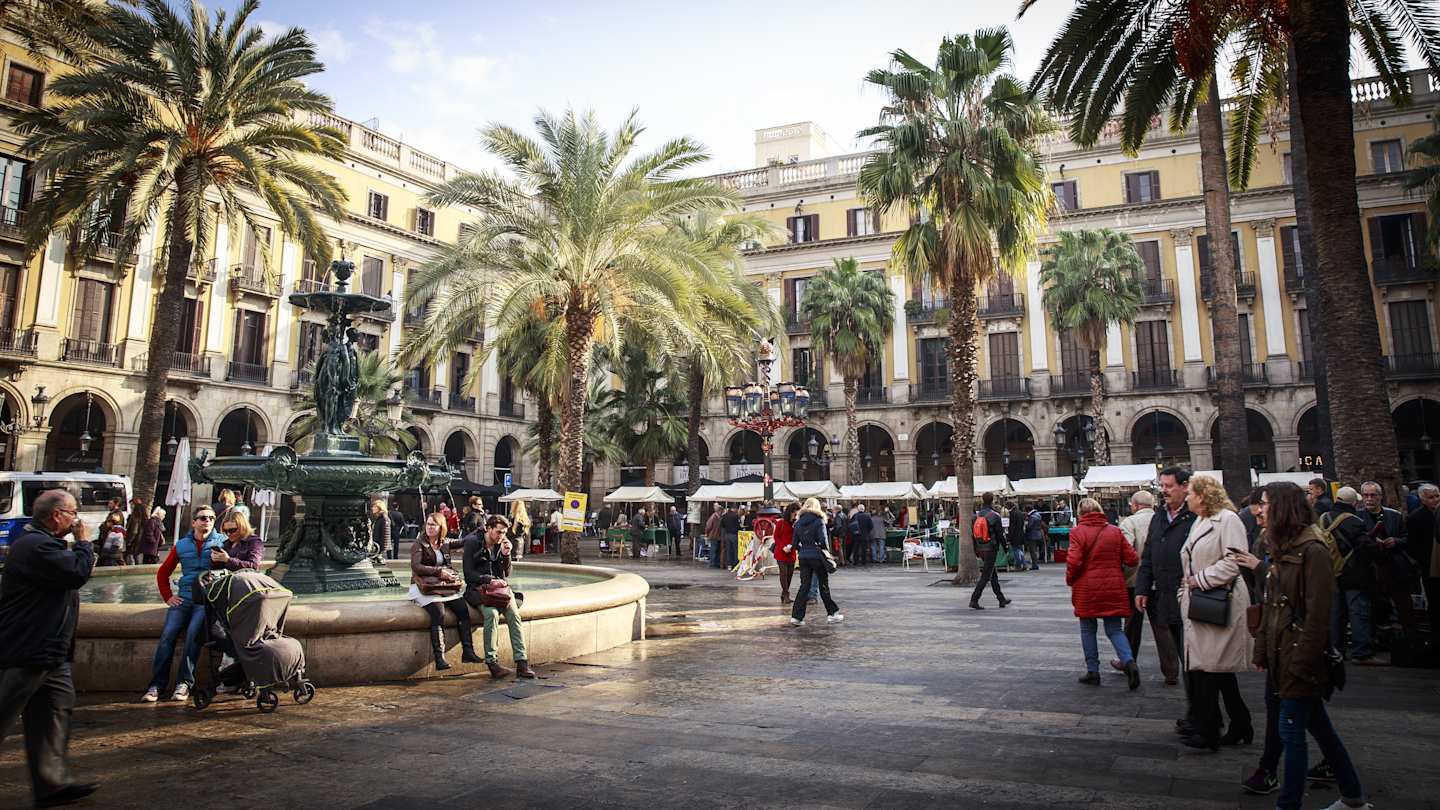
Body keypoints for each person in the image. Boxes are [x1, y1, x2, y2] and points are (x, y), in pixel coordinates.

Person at [1252, 482, 1372, 810]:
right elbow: (1271, 603)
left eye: (1264, 504)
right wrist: (1262, 649)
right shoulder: (1280, 545)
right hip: (1282, 653)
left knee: (1292, 735)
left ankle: (1288, 805)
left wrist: (1300, 662)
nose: (1259, 510)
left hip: (1298, 657)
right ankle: (1353, 798)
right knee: (1320, 728)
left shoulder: (1313, 549)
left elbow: (1320, 616)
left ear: (1282, 508)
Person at [0, 490, 99, 808]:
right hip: (29, 649)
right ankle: (51, 782)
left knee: (54, 713)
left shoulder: (41, 544)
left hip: (49, 652)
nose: (76, 519)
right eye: (72, 513)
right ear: (56, 515)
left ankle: (51, 783)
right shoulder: (37, 546)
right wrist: (84, 542)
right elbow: (77, 572)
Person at [1178, 474, 1253, 751]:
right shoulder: (1201, 521)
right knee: (1216, 669)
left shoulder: (1228, 520)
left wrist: (1201, 579)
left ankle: (1208, 732)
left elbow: (1236, 559)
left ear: (1203, 495)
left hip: (1219, 600)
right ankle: (1240, 723)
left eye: (1191, 493)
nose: (1187, 497)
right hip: (1202, 600)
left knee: (1209, 668)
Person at [143, 505, 225, 702]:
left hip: (206, 600)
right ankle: (156, 685)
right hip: (184, 597)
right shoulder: (181, 545)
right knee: (167, 636)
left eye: (211, 518)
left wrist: (224, 560)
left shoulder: (222, 542)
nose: (207, 521)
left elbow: (230, 569)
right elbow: (163, 572)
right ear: (194, 522)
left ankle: (184, 683)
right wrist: (168, 596)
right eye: (203, 518)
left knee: (192, 636)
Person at [1067, 498, 1141, 688]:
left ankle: (1093, 671)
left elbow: (1074, 561)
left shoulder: (1078, 532)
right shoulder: (1114, 531)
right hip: (1114, 586)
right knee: (1114, 629)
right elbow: (1132, 559)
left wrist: (1070, 579)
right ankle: (1129, 663)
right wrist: (1116, 569)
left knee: (1087, 629)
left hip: (1087, 587)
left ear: (1080, 513)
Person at [1136, 466, 1196, 691]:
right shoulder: (1159, 516)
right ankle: (1197, 712)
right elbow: (1149, 554)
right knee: (1183, 653)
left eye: (1169, 486)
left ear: (1184, 486)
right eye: (1161, 486)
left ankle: (1200, 714)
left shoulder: (1196, 515)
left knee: (1192, 658)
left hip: (1191, 595)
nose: (1164, 490)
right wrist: (1142, 588)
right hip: (1166, 596)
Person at [463, 515, 535, 679]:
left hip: (500, 592)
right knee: (491, 614)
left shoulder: (501, 544)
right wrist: (487, 579)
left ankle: (522, 662)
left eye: (503, 533)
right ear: (488, 529)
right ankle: (492, 663)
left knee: (514, 615)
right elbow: (468, 574)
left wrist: (506, 555)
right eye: (498, 532)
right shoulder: (472, 543)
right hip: (479, 591)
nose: (501, 536)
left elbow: (507, 573)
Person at [409, 513, 479, 670]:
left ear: (441, 527)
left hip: (442, 587)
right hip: (425, 587)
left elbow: (463, 541)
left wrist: (480, 530)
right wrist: (439, 572)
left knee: (463, 609)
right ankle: (439, 658)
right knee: (438, 613)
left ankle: (468, 652)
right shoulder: (419, 544)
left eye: (433, 524)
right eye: (428, 524)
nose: (430, 527)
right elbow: (416, 567)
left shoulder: (444, 543)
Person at [1324, 487, 1378, 663]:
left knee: (1335, 614)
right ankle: (1361, 651)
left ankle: (1335, 649)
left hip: (1331, 572)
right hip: (1353, 574)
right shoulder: (1354, 521)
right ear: (1353, 502)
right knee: (1357, 612)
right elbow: (1365, 547)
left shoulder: (1323, 518)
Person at [1357, 480, 1413, 636]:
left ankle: (1408, 636)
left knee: (1403, 603)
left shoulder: (1394, 516)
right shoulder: (1358, 517)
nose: (1369, 499)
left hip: (1395, 566)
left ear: (1380, 496)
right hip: (1371, 568)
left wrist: (1395, 541)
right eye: (1365, 495)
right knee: (1376, 606)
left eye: (1372, 495)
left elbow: (1407, 538)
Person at [1113, 490, 1155, 673]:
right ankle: (1171, 669)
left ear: (1135, 505)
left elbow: (1125, 550)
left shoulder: (1129, 522)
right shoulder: (1162, 520)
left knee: (1132, 624)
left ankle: (1128, 660)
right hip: (1159, 580)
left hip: (1134, 580)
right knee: (1162, 626)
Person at [789, 498, 841, 626]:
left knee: (804, 586)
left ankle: (796, 617)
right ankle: (832, 613)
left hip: (803, 557)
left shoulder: (798, 523)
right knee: (823, 585)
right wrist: (826, 553)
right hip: (817, 556)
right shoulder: (819, 521)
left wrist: (804, 549)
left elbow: (794, 544)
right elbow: (823, 541)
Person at [1409, 484, 1440, 639]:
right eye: (1431, 497)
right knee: (1434, 601)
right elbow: (1413, 545)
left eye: (1437, 496)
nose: (1435, 500)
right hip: (1429, 566)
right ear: (1422, 499)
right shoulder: (1416, 518)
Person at [970, 493, 1010, 610]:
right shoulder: (995, 516)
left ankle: (1001, 599)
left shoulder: (976, 516)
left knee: (992, 574)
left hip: (981, 547)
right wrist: (1005, 547)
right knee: (986, 575)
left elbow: (973, 535)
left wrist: (975, 549)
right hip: (991, 548)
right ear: (992, 501)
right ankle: (974, 599)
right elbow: (1000, 534)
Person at [774, 505, 797, 604]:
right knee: (783, 573)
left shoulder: (796, 524)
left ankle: (784, 594)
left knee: (790, 575)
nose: (795, 515)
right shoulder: (781, 523)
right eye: (794, 513)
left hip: (791, 552)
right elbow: (776, 536)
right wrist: (783, 547)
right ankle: (786, 594)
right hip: (781, 552)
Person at [1024, 502, 1046, 568]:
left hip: (1032, 535)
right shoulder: (1038, 514)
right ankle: (1035, 564)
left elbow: (1029, 526)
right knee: (1035, 550)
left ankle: (1035, 565)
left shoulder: (1032, 516)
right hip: (1038, 534)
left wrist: (1026, 525)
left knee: (1032, 550)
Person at [718, 504, 740, 570]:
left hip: (727, 535)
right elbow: (738, 526)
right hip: (734, 535)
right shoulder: (735, 516)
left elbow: (722, 525)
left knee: (728, 550)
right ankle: (735, 564)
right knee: (735, 550)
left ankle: (729, 565)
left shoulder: (724, 516)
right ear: (734, 509)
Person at [1007, 500, 1027, 570]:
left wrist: (1009, 537)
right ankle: (1024, 564)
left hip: (1015, 535)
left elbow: (1012, 527)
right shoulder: (1019, 512)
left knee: (1016, 550)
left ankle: (1019, 565)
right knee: (1019, 550)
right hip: (1020, 534)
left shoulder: (1012, 513)